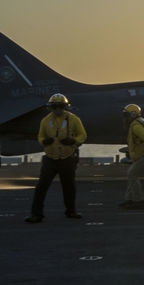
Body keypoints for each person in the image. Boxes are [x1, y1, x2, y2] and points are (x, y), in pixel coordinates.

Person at [24, 94, 86, 223]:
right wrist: (44, 141)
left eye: (60, 106)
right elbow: (40, 137)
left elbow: (83, 135)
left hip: (67, 158)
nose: (58, 109)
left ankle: (71, 211)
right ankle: (36, 214)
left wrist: (72, 141)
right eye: (55, 106)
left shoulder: (74, 119)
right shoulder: (45, 121)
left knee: (69, 186)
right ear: (50, 107)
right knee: (41, 186)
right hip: (50, 158)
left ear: (65, 107)